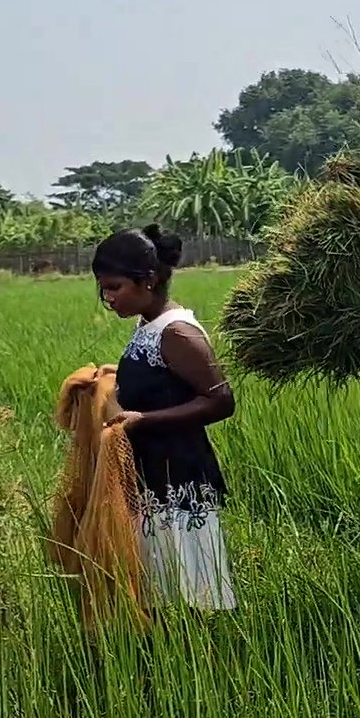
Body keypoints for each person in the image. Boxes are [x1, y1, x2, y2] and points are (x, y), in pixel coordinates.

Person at [92, 224, 238, 615]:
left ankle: (194, 670)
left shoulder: (178, 332)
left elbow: (220, 401)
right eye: (104, 289)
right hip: (152, 476)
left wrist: (143, 420)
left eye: (115, 287)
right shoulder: (149, 324)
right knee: (157, 593)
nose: (108, 299)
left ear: (149, 280)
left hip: (178, 481)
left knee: (185, 599)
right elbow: (158, 380)